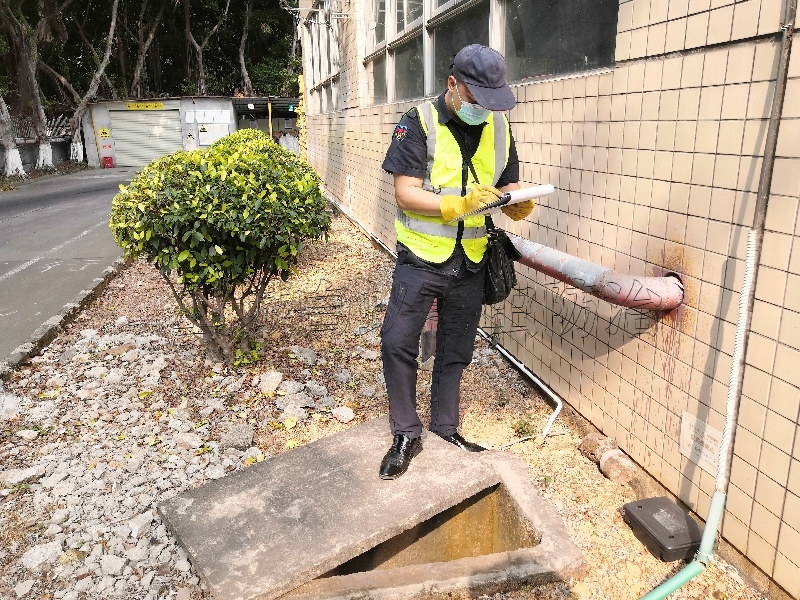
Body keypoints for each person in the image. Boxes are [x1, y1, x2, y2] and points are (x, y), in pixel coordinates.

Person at [378, 44, 534, 480]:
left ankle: (445, 429)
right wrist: (457, 203)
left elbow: (508, 182)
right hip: (423, 258)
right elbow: (406, 193)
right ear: (453, 85)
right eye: (476, 100)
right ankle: (406, 433)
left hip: (472, 259)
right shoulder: (419, 122)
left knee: (455, 351)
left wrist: (515, 203)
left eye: (492, 102)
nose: (483, 110)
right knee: (398, 342)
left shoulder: (499, 127)